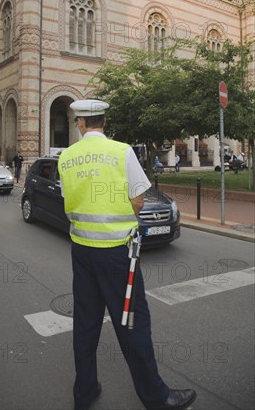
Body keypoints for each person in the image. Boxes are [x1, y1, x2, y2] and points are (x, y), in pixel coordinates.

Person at [58, 99, 196, 410]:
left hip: (81, 251)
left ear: (80, 123)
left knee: (85, 323)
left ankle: (85, 392)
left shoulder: (66, 157)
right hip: (117, 254)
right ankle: (156, 397)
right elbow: (138, 201)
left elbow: (69, 200)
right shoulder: (121, 151)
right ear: (103, 122)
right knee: (132, 323)